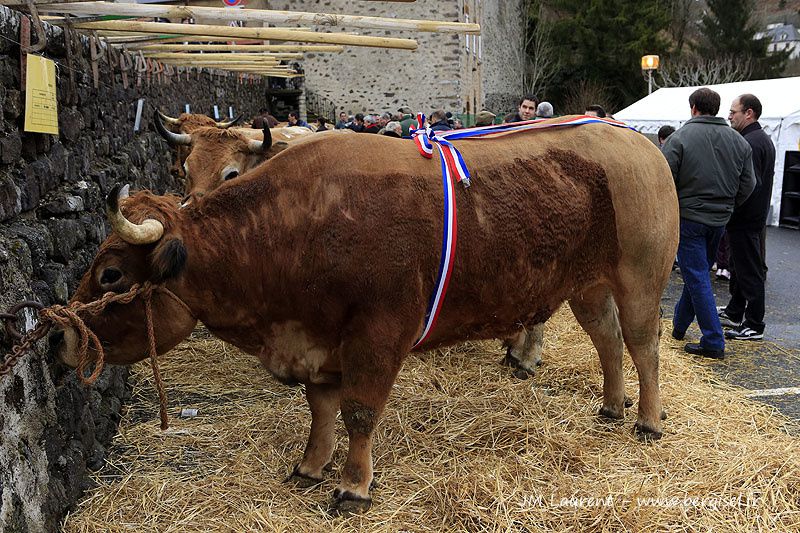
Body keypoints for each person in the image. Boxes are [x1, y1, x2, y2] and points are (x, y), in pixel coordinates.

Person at [662, 88, 756, 359]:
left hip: (689, 217)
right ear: (716, 109)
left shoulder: (680, 138)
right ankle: (679, 327)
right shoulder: (739, 141)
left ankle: (713, 340)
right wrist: (729, 205)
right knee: (698, 273)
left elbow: (665, 179)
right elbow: (749, 184)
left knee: (698, 276)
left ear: (693, 108)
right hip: (720, 219)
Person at [718, 94, 776, 341]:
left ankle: (754, 323)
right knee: (740, 267)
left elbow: (749, 185)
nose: (730, 116)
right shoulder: (757, 139)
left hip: (746, 218)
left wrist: (733, 209)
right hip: (749, 217)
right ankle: (735, 311)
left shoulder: (751, 142)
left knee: (749, 270)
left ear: (749, 113)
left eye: (734, 111)